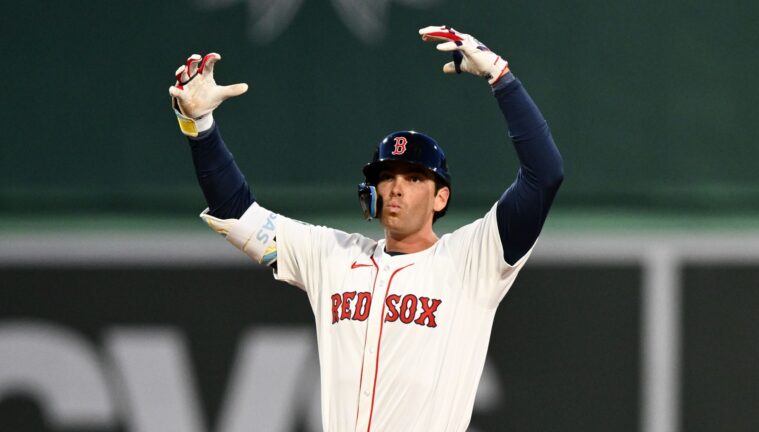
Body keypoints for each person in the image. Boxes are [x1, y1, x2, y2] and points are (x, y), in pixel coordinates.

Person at [169, 25, 563, 432]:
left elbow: (544, 174)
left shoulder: (471, 260)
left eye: (413, 178)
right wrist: (199, 127)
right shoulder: (333, 257)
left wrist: (502, 78)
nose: (395, 187)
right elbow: (236, 212)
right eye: (386, 175)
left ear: (440, 197)